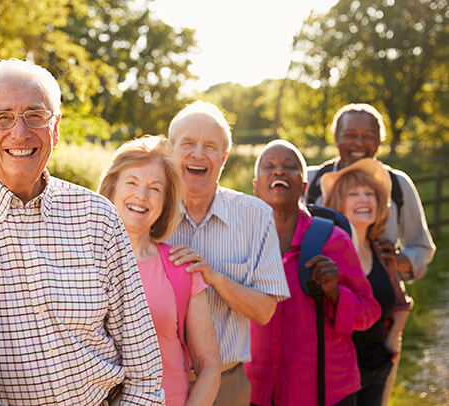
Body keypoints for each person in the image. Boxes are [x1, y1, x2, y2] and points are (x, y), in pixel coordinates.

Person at [0, 59, 164, 405]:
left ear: (56, 128)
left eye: (35, 115)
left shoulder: (97, 218)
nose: (20, 132)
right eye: (2, 117)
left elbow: (144, 371)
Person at [164, 101, 291, 406]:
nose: (198, 154)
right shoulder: (147, 212)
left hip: (228, 386)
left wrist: (216, 277)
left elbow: (265, 311)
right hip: (158, 384)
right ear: (170, 150)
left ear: (224, 157)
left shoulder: (256, 216)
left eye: (210, 146)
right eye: (188, 144)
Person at [247, 139, 381, 406]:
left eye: (289, 167)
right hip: (256, 391)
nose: (278, 171)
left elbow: (369, 313)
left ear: (304, 186)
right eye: (269, 166)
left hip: (325, 392)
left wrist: (334, 292)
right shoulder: (241, 242)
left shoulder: (333, 239)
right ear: (255, 187)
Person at [98, 135, 222, 405]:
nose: (141, 196)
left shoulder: (180, 268)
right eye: (132, 182)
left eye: (155, 188)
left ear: (165, 202)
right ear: (111, 188)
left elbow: (210, 365)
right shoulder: (78, 260)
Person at [306, 103, 435, 282]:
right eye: (350, 135)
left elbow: (422, 247)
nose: (359, 143)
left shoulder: (398, 184)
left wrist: (396, 262)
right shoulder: (309, 181)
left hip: (382, 301)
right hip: (319, 298)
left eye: (368, 136)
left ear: (379, 140)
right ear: (336, 138)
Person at [322, 158, 413, 406]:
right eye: (354, 194)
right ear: (338, 203)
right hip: (336, 374)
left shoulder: (381, 252)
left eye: (369, 194)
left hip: (377, 367)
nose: (364, 200)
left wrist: (391, 342)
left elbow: (401, 303)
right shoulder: (325, 252)